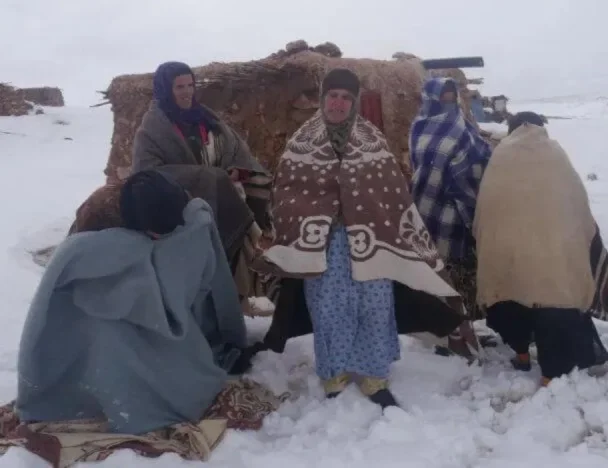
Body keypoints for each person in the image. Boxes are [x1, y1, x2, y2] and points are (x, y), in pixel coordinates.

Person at [260, 69, 464, 408]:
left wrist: (378, 218)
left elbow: (392, 191)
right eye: (332, 96)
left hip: (372, 241)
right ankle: (334, 374)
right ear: (323, 99)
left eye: (345, 97)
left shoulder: (371, 139)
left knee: (374, 305)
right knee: (329, 309)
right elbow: (285, 192)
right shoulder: (302, 142)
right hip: (324, 244)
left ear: (353, 103)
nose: (338, 103)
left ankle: (374, 375)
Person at [16, 170, 251, 434]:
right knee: (107, 336)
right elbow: (84, 276)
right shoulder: (97, 216)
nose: (159, 241)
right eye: (154, 235)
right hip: (98, 309)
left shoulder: (175, 202)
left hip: (160, 313)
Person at [474, 112, 608, 386]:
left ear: (511, 129)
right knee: (553, 306)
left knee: (510, 297)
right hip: (553, 251)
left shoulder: (502, 155)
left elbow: (487, 207)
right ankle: (551, 373)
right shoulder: (556, 155)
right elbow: (577, 203)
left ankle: (522, 354)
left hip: (510, 251)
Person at [131, 61, 273, 307]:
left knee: (257, 185)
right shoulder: (153, 129)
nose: (187, 92)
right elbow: (146, 174)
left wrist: (236, 171)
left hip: (227, 196)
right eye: (179, 87)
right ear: (166, 89)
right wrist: (207, 177)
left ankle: (235, 301)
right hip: (183, 207)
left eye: (190, 85)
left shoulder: (205, 118)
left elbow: (234, 147)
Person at [408, 77, 492, 354]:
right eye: (442, 96)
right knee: (437, 273)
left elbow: (479, 156)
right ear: (431, 99)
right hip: (428, 208)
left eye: (451, 96)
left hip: (457, 214)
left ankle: (462, 328)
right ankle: (446, 333)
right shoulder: (419, 128)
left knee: (460, 275)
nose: (448, 102)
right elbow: (421, 166)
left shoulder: (462, 126)